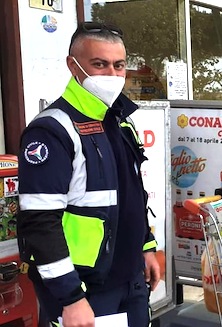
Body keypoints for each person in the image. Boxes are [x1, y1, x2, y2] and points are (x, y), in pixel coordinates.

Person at [17, 22, 160, 327]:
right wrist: (70, 298)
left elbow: (133, 193)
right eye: (99, 64)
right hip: (84, 289)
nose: (111, 74)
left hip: (130, 279)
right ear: (74, 65)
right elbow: (40, 222)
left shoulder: (120, 121)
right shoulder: (52, 130)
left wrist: (145, 247)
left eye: (119, 65)